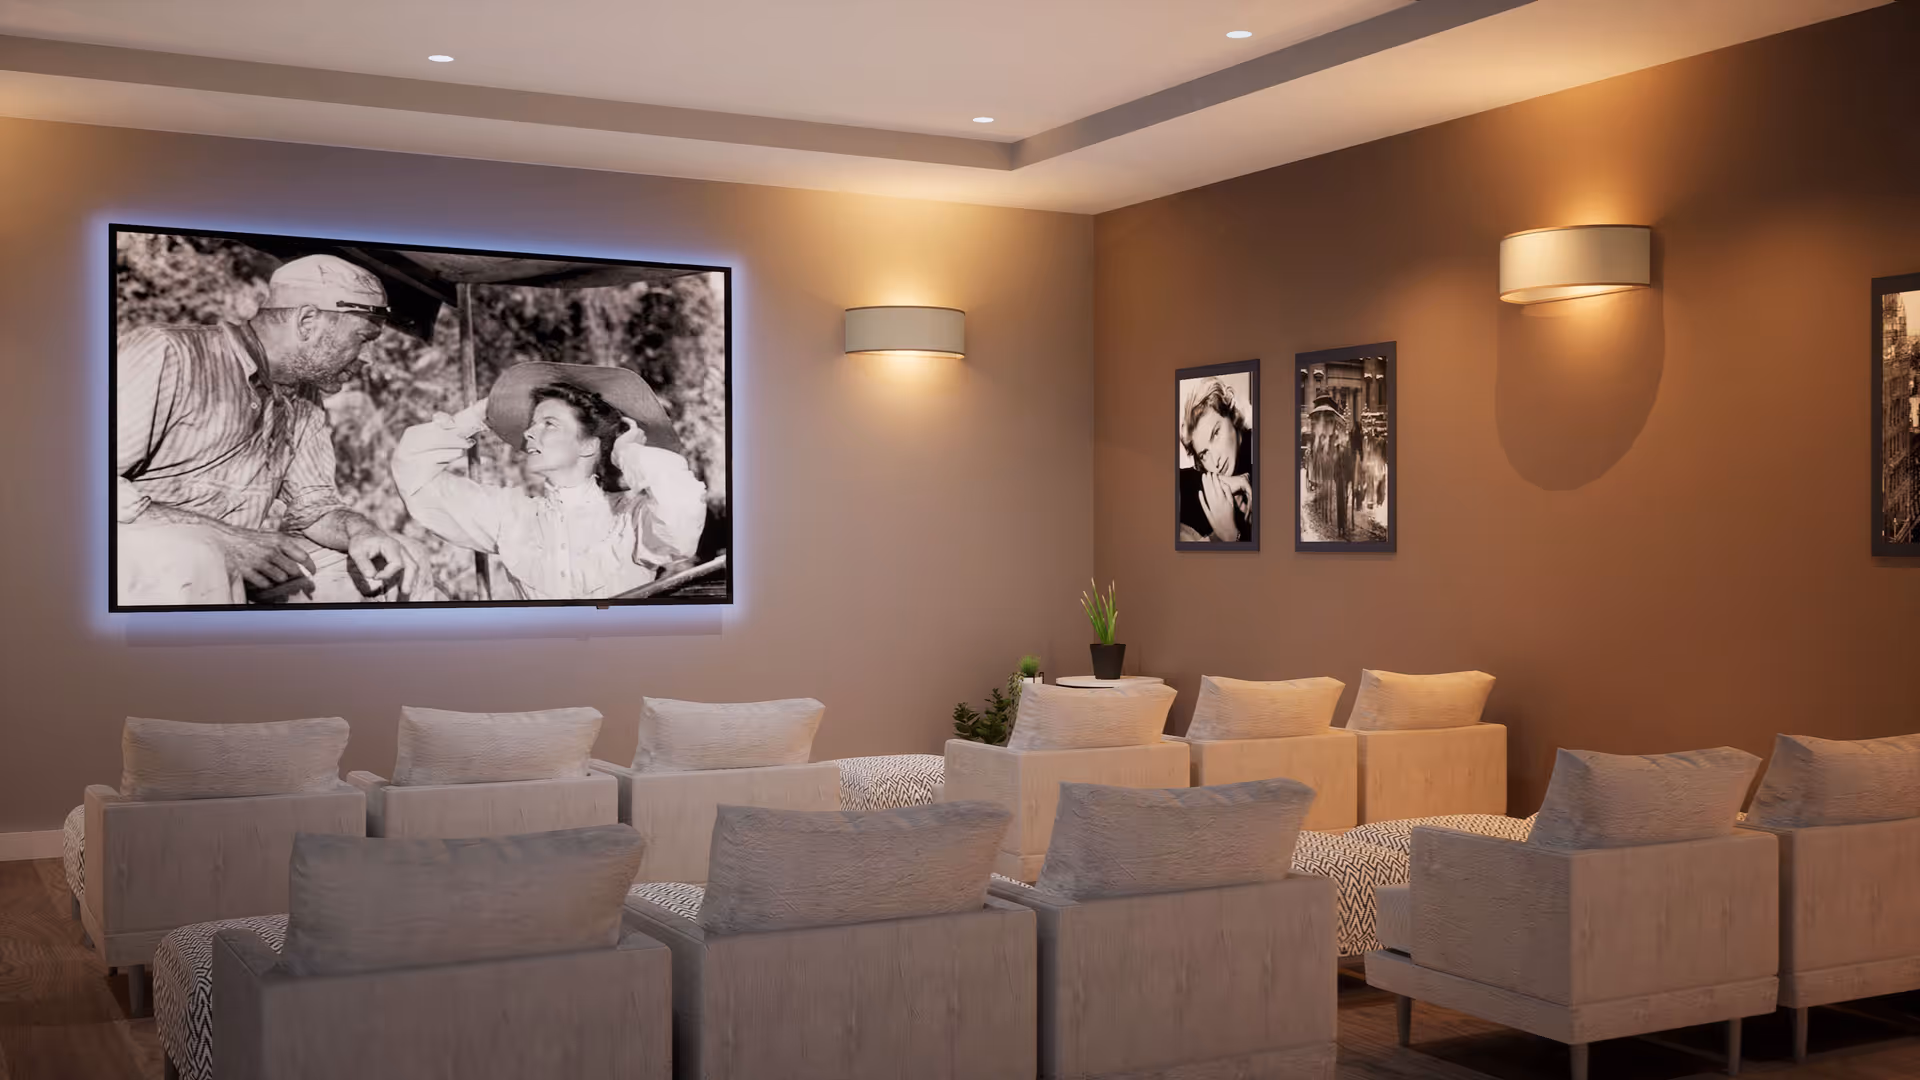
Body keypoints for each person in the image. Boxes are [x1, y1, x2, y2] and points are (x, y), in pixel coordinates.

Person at [116, 254, 423, 606]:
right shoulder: (169, 353)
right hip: (135, 561)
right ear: (307, 321)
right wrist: (226, 539)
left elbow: (314, 508)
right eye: (363, 338)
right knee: (195, 558)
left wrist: (361, 531)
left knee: (398, 563)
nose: (368, 358)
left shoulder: (303, 393)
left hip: (221, 565)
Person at [391, 362, 708, 601]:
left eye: (549, 424)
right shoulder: (511, 516)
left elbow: (682, 514)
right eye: (532, 424)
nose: (529, 433)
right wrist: (477, 417)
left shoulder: (631, 518)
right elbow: (414, 473)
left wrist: (628, 452)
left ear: (588, 445)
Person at [1177, 377, 1253, 543]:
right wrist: (1225, 481)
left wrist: (1231, 535)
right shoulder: (1214, 481)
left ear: (1232, 416)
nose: (1216, 460)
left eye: (1215, 434)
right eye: (1204, 454)